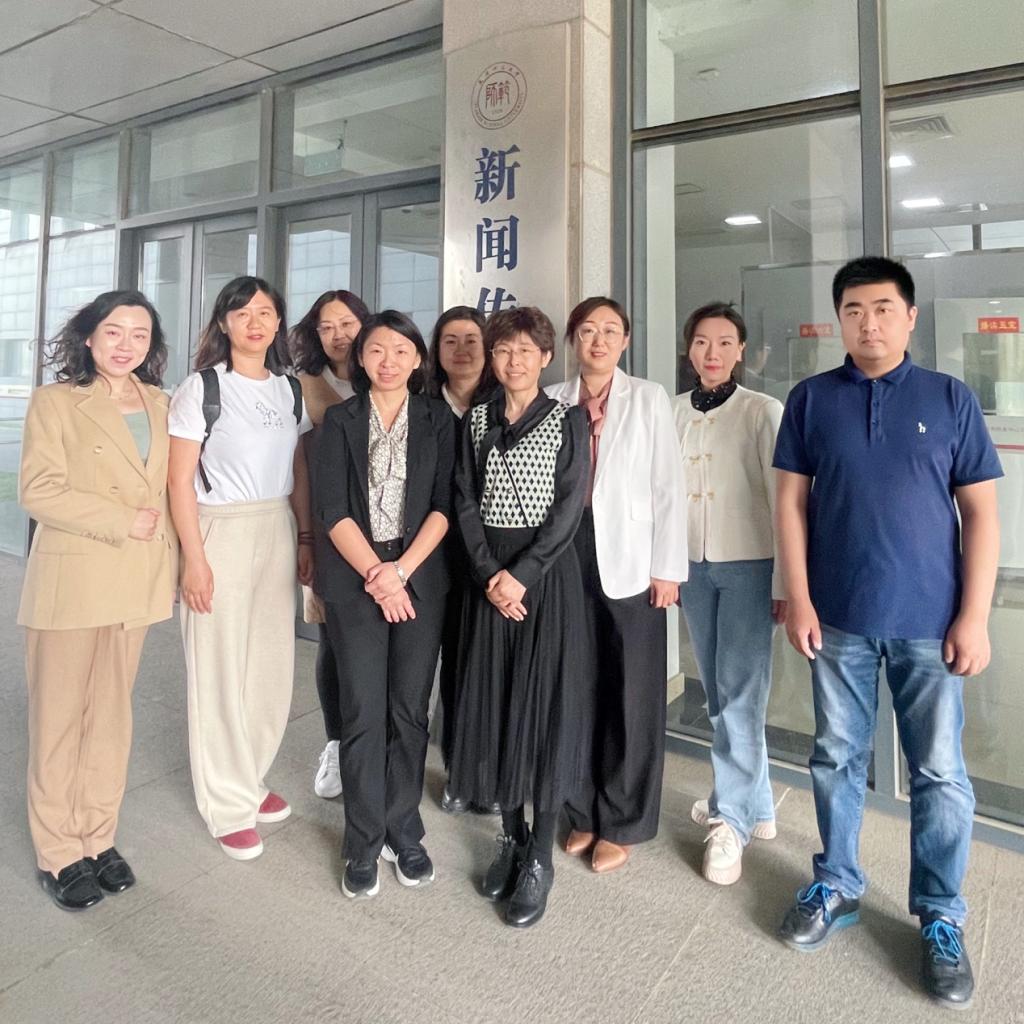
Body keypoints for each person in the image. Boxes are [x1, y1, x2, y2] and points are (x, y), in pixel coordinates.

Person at [773, 257, 1001, 1010]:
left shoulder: (950, 398)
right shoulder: (811, 400)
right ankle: (837, 882)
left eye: (881, 308)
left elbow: (982, 514)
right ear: (838, 320)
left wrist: (974, 615)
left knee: (939, 771)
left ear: (908, 317)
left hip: (930, 624)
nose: (867, 323)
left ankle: (940, 913)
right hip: (838, 618)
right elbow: (790, 506)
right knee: (836, 756)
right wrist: (799, 599)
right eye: (852, 310)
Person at [18, 290, 175, 910]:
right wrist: (119, 520)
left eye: (139, 334)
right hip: (73, 580)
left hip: (134, 580)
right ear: (89, 337)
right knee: (59, 719)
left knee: (111, 717)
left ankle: (97, 836)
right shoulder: (56, 401)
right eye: (114, 331)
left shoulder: (161, 402)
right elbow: (38, 490)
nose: (125, 345)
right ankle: (58, 850)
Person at [449, 306, 589, 928]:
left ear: (545, 358)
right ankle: (511, 833)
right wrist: (488, 574)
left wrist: (520, 575)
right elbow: (463, 499)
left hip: (544, 578)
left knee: (544, 706)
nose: (513, 361)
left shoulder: (568, 419)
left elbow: (569, 509)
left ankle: (540, 858)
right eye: (503, 351)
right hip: (489, 579)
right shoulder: (477, 419)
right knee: (496, 702)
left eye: (525, 351)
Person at [167, 276, 313, 861]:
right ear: (224, 322)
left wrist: (304, 535)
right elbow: (179, 480)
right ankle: (227, 804)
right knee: (219, 668)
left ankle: (249, 778)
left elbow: (297, 469)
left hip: (275, 524)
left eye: (266, 312)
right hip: (219, 529)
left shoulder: (288, 389)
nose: (256, 322)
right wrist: (194, 559)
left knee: (269, 666)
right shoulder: (202, 388)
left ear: (279, 323)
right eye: (243, 312)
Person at [314, 310, 454, 900]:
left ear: (418, 359)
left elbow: (445, 506)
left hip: (418, 576)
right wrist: (377, 574)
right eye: (376, 350)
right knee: (362, 712)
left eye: (401, 350)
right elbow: (332, 510)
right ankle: (363, 839)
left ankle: (404, 831)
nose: (388, 361)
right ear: (361, 359)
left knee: (409, 711)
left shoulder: (438, 419)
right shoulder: (339, 420)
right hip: (356, 580)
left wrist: (401, 573)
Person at [546, 297, 687, 873]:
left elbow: (669, 486)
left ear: (625, 340)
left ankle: (625, 818)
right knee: (575, 685)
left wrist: (667, 567)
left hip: (633, 558)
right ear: (573, 340)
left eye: (610, 331)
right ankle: (581, 808)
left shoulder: (648, 398)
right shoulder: (553, 399)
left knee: (632, 690)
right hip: (565, 554)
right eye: (587, 331)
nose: (598, 341)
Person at [672, 302, 784, 886]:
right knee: (718, 692)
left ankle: (731, 820)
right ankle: (757, 803)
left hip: (750, 566)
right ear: (689, 349)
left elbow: (786, 501)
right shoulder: (672, 411)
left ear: (741, 350)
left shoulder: (762, 411)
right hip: (693, 567)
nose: (711, 353)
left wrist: (786, 581)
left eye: (723, 342)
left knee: (741, 694)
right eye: (701, 342)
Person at [291, 289, 370, 800]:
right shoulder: (304, 386)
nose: (338, 334)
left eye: (347, 324)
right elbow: (298, 466)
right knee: (333, 640)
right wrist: (304, 537)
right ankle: (337, 745)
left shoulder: (387, 373)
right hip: (325, 531)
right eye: (326, 326)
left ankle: (375, 741)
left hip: (387, 537)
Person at [424, 305, 489, 813]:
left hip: (489, 561)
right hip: (431, 561)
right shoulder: (421, 408)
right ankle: (456, 770)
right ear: (436, 351)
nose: (462, 350)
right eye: (450, 340)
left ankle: (485, 772)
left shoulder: (503, 405)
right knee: (443, 669)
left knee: (481, 668)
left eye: (472, 339)